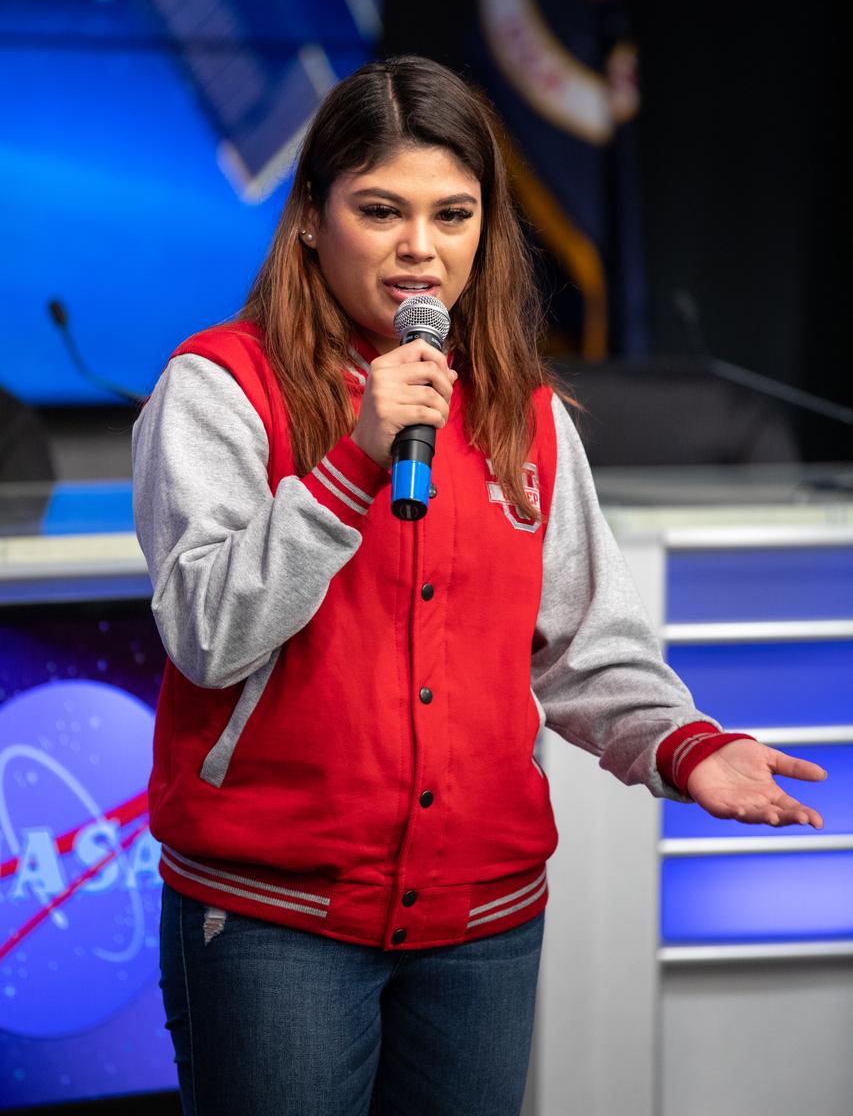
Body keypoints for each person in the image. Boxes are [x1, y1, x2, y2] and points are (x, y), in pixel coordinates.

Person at [131, 55, 825, 1116]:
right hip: (276, 922)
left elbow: (584, 643)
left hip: (483, 925)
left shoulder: (524, 412)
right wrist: (350, 463)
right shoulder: (217, 388)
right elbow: (208, 634)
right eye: (380, 210)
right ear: (311, 218)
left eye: (452, 214)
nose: (420, 248)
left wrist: (687, 747)